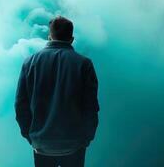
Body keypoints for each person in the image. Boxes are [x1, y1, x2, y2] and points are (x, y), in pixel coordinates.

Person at [15, 16, 100, 167]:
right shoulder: (84, 64)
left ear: (49, 36)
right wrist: (86, 138)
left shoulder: (30, 63)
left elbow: (21, 105)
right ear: (71, 39)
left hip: (41, 143)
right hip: (74, 144)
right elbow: (91, 107)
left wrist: (30, 136)